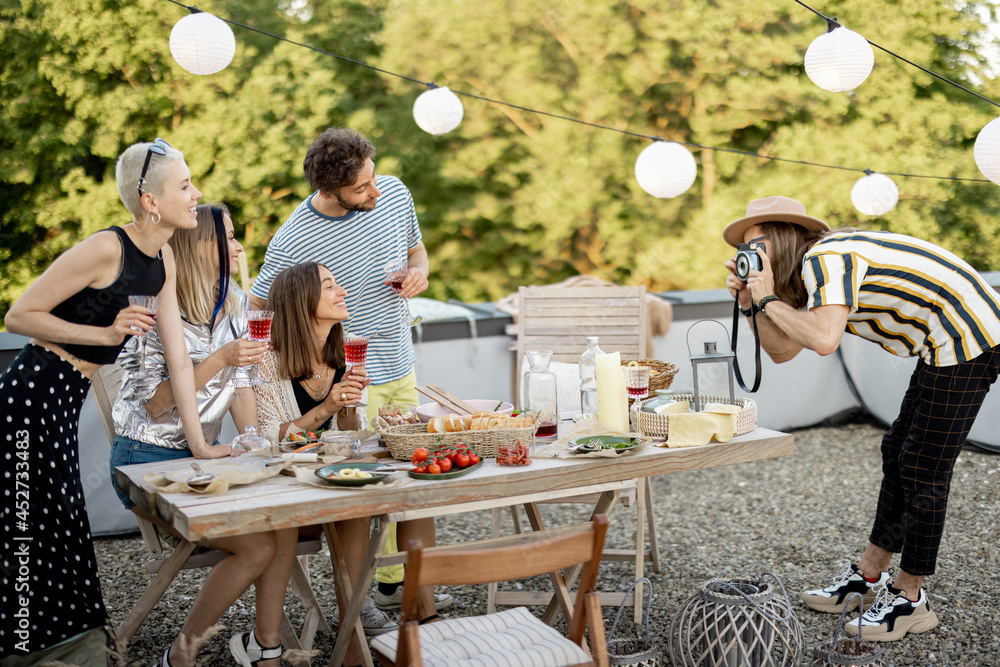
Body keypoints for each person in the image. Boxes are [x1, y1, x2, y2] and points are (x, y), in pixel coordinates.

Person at [723, 195, 1000, 642]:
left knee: (923, 467)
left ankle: (911, 602)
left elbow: (825, 339)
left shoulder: (827, 258)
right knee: (897, 451)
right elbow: (783, 350)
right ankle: (869, 580)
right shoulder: (809, 274)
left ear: (783, 238)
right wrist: (751, 304)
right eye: (744, 249)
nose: (748, 255)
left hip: (970, 333)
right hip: (942, 340)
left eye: (757, 244)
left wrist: (768, 295)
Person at [0, 139, 222, 662]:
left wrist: (201, 446)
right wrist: (103, 335)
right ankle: (24, 646)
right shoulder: (107, 249)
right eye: (185, 186)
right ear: (151, 200)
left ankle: (67, 641)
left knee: (60, 516)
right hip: (31, 394)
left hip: (62, 399)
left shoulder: (162, 258)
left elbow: (179, 365)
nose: (196, 195)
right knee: (29, 519)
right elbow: (18, 315)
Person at [248, 127, 443, 612]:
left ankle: (403, 588)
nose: (376, 191)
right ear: (329, 192)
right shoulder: (295, 237)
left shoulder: (393, 192)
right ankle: (366, 600)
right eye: (362, 188)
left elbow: (416, 250)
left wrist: (419, 272)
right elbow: (259, 305)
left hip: (401, 358)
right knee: (371, 486)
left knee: (415, 470)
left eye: (373, 178)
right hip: (351, 373)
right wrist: (288, 371)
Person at [108, 203, 295, 667]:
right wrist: (221, 358)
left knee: (284, 517)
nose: (238, 245)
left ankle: (266, 647)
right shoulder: (150, 308)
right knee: (257, 545)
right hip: (145, 461)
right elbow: (156, 404)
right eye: (228, 237)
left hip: (203, 460)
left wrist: (254, 441)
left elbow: (241, 384)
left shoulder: (230, 302)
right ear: (200, 245)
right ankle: (180, 655)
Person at [252, 263, 439, 663]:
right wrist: (325, 408)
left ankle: (374, 615)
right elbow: (269, 436)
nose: (343, 291)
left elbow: (354, 432)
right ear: (302, 301)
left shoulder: (348, 347)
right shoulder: (267, 358)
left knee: (399, 493)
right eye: (330, 286)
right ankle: (354, 616)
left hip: (333, 472)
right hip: (287, 480)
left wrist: (350, 404)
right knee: (354, 500)